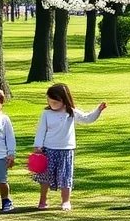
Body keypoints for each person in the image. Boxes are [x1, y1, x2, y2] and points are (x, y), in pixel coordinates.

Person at [31, 82, 107, 211]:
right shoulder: (46, 114)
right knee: (45, 177)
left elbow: (87, 118)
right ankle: (43, 200)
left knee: (66, 176)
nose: (52, 105)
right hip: (49, 150)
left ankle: (66, 201)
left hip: (66, 150)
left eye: (55, 102)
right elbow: (41, 130)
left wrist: (98, 110)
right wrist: (38, 147)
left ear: (64, 100)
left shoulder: (70, 112)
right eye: (50, 102)